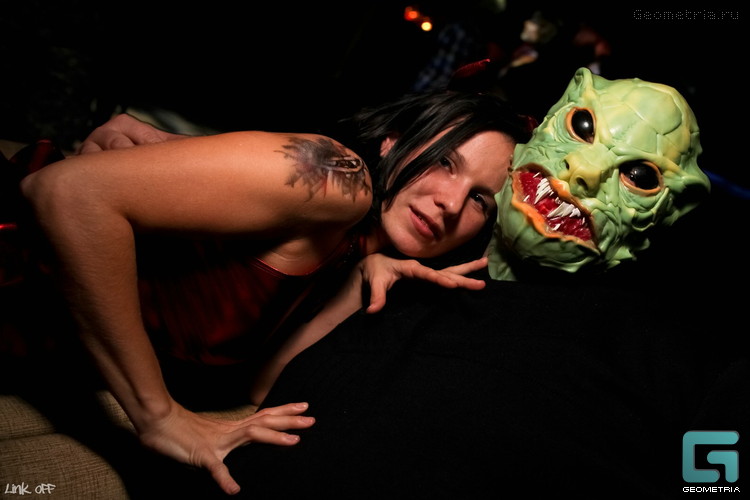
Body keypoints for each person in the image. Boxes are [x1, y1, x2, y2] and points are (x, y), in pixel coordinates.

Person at [12, 89, 532, 495]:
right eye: (446, 162)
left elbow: (264, 386)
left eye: (480, 200)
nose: (451, 202)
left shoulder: (354, 246)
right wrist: (159, 416)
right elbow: (66, 193)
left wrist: (361, 281)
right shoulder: (341, 180)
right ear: (393, 142)